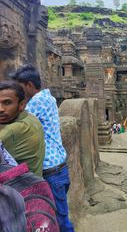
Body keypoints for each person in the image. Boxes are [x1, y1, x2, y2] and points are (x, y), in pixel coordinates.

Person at [10, 64, 75, 232]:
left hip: (51, 171)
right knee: (56, 215)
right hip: (59, 169)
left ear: (29, 85)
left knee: (59, 219)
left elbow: (14, 119)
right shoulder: (49, 97)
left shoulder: (39, 101)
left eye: (20, 87)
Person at [0, 81, 45, 176]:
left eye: (7, 103)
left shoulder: (13, 130)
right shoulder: (30, 117)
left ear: (21, 105)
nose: (1, 109)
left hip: (20, 188)